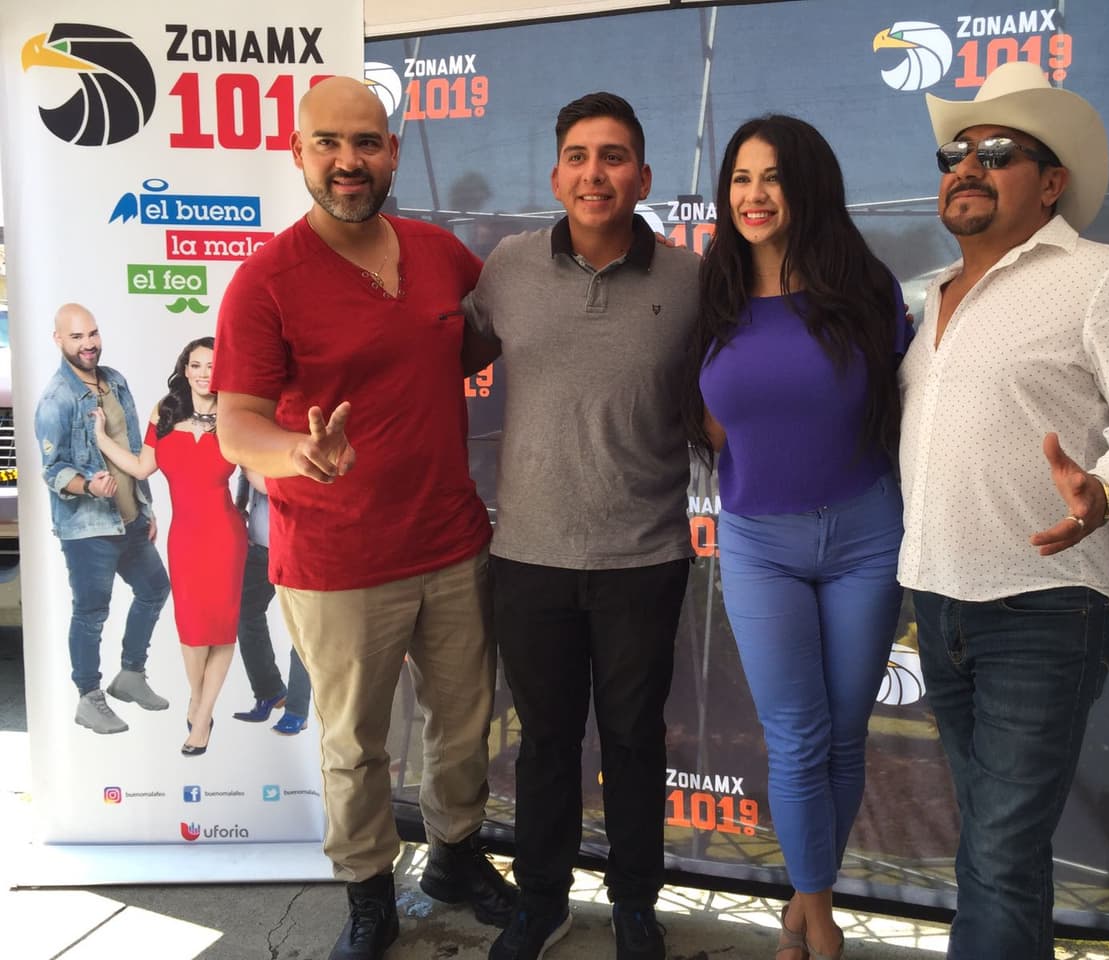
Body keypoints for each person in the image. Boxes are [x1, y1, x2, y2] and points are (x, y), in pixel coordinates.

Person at [899, 61, 1109, 959]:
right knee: (1003, 856)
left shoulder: (1103, 279)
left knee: (995, 856)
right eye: (957, 150)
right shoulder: (932, 298)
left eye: (999, 152)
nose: (968, 165)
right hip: (939, 602)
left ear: (1052, 182)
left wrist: (1107, 491)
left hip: (1042, 610)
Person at [211, 75, 514, 960]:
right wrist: (296, 454)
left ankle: (455, 858)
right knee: (354, 746)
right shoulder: (266, 281)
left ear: (390, 149)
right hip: (336, 558)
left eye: (368, 143)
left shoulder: (440, 253)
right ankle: (369, 891)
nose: (351, 161)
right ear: (299, 154)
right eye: (331, 144)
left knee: (464, 725)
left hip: (453, 542)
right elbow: (235, 423)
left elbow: (480, 342)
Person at [463, 91, 699, 960]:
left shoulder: (691, 278)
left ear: (643, 176)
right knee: (546, 744)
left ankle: (637, 900)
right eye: (577, 155)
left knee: (635, 741)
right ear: (556, 172)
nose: (593, 173)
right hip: (529, 553)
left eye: (612, 156)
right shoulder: (508, 270)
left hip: (647, 555)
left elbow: (740, 389)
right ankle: (543, 901)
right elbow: (433, 361)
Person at [684, 115, 912, 960]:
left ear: (807, 185)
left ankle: (804, 901)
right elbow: (712, 423)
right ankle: (819, 921)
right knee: (797, 736)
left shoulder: (866, 286)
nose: (753, 194)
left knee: (846, 734)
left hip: (865, 537)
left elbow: (897, 402)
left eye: (772, 177)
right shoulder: (713, 293)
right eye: (741, 178)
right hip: (757, 544)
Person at [92, 336, 248, 757]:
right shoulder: (166, 410)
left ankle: (201, 715)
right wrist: (103, 439)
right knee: (194, 631)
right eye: (196, 365)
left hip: (226, 537)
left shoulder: (237, 417)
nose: (203, 373)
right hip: (186, 537)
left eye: (212, 366)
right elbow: (143, 466)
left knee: (222, 628)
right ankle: (197, 699)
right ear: (185, 368)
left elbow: (261, 475)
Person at [35, 302, 171, 735]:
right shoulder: (56, 399)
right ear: (58, 340)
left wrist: (145, 508)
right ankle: (89, 697)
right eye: (76, 337)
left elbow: (131, 448)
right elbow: (52, 472)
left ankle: (130, 674)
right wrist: (88, 486)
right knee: (92, 612)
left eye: (92, 334)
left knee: (154, 589)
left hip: (129, 520)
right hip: (89, 528)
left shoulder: (115, 381)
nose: (88, 343)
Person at [229, 467, 312, 735]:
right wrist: (240, 505)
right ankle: (270, 691)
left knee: (301, 630)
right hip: (259, 545)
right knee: (244, 613)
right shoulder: (254, 433)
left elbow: (270, 483)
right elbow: (248, 477)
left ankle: (297, 711)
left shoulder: (298, 432)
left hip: (298, 546)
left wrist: (243, 457)